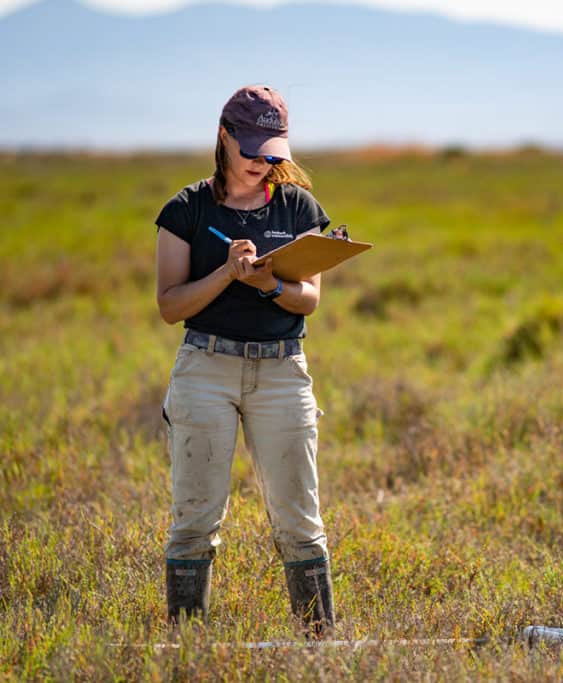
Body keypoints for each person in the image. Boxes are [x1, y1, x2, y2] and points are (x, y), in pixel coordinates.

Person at [155, 85, 344, 636]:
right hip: (205, 370)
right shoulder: (185, 210)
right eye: (251, 149)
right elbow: (170, 306)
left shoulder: (300, 207)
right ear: (224, 137)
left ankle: (319, 648)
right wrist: (225, 274)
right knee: (194, 519)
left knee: (300, 520)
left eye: (272, 152)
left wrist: (267, 282)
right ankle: (186, 650)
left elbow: (308, 298)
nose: (262, 163)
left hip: (283, 372)